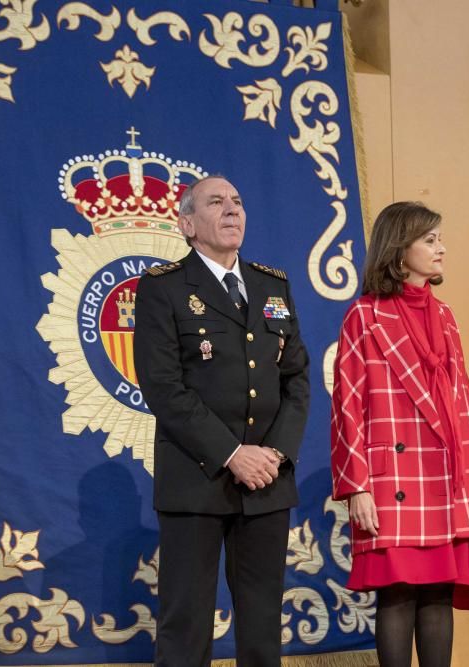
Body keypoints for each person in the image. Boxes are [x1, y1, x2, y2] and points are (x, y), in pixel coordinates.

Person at [133, 175, 310, 666]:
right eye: (217, 202)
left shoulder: (271, 284)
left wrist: (274, 453)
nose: (233, 209)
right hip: (198, 478)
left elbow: (296, 379)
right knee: (186, 628)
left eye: (238, 201)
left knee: (261, 631)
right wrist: (233, 454)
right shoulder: (162, 289)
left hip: (267, 481)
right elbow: (163, 388)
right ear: (187, 223)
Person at [330, 201, 469, 667]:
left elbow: (463, 396)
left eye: (439, 239)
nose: (440, 248)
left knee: (438, 593)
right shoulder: (364, 316)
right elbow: (347, 405)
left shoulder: (444, 315)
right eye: (429, 240)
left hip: (449, 473)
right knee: (398, 593)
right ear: (398, 248)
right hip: (393, 478)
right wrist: (357, 486)